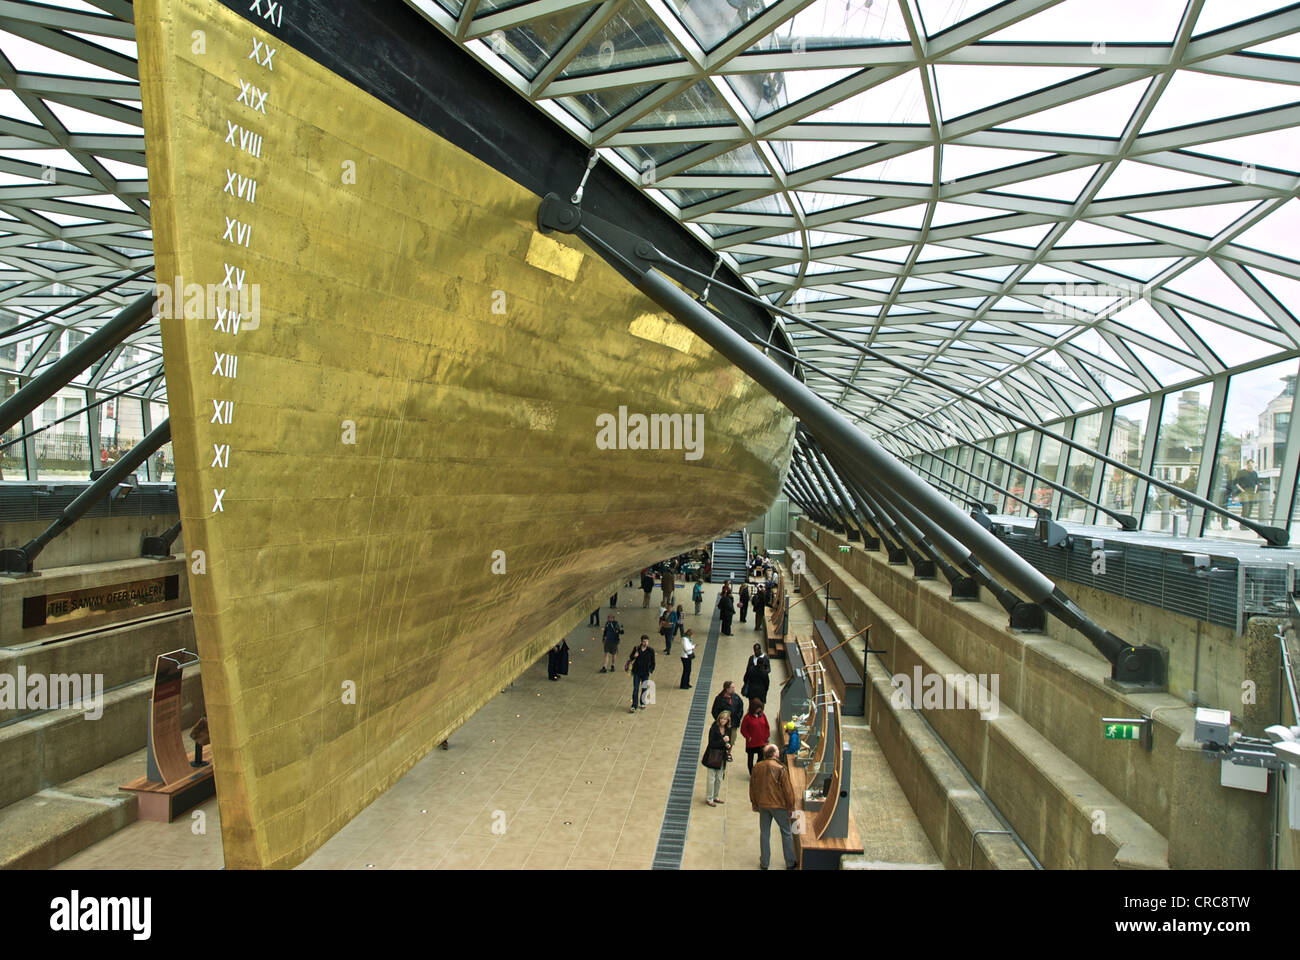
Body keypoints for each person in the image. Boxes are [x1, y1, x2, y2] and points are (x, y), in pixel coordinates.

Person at [750, 744, 797, 869]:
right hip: (779, 806)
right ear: (775, 754)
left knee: (764, 833)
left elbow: (753, 787)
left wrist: (754, 802)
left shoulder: (757, 767)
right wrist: (791, 807)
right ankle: (790, 862)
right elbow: (788, 791)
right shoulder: (781, 769)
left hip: (763, 804)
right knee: (786, 832)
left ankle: (765, 863)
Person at [701, 711, 733, 806]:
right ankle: (709, 798)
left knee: (719, 778)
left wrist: (728, 744)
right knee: (711, 778)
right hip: (712, 756)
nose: (723, 720)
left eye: (725, 719)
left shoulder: (728, 729)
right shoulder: (714, 728)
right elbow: (711, 744)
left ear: (728, 720)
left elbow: (728, 742)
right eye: (721, 718)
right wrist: (722, 741)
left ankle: (715, 796)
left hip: (721, 756)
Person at [739, 697, 770, 773]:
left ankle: (756, 771)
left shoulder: (763, 715)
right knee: (750, 759)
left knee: (761, 758)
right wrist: (748, 737)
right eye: (758, 708)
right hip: (751, 743)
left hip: (762, 742)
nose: (759, 710)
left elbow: (767, 726)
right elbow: (743, 729)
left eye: (760, 708)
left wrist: (766, 737)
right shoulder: (747, 717)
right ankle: (752, 773)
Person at [626, 635, 656, 712]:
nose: (645, 643)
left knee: (644, 688)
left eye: (646, 641)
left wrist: (651, 670)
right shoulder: (637, 649)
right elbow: (631, 658)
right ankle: (634, 705)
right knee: (635, 689)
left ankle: (642, 702)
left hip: (645, 672)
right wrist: (634, 656)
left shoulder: (651, 650)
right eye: (644, 641)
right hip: (637, 671)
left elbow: (653, 662)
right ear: (641, 641)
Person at [1235, 459, 1260, 525]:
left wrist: (1255, 491)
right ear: (1247, 465)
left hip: (1252, 492)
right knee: (1245, 508)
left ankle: (1247, 524)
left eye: (1252, 465)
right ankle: (1242, 524)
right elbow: (1236, 483)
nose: (1251, 466)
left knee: (1250, 509)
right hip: (1244, 492)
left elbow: (1257, 483)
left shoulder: (1255, 473)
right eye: (1249, 465)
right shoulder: (1241, 472)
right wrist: (1242, 490)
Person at [1217, 456, 1235, 528]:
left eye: (1226, 460)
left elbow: (1230, 480)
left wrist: (1231, 492)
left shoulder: (1228, 468)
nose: (1225, 461)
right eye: (1224, 459)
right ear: (1220, 459)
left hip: (1225, 491)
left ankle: (1225, 524)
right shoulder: (1217, 468)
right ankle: (1207, 524)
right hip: (1217, 491)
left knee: (1224, 508)